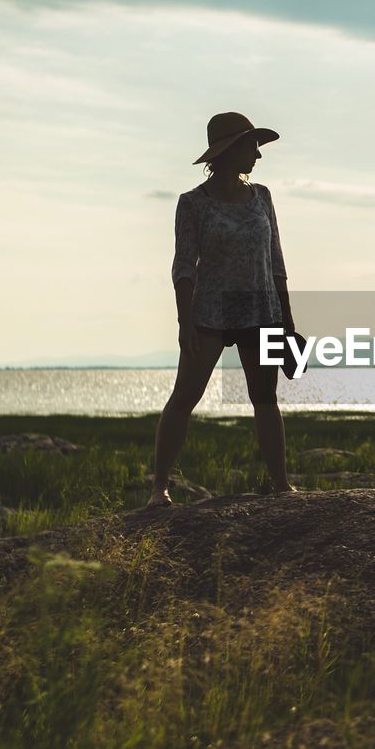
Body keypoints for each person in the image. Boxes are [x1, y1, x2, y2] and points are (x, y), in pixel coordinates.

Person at [147, 112, 295, 506]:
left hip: (262, 310)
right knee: (184, 397)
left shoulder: (262, 197)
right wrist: (184, 322)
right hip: (209, 313)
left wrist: (287, 321)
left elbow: (276, 262)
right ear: (229, 151)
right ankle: (159, 488)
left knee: (265, 399)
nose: (258, 155)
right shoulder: (193, 203)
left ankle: (281, 485)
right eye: (252, 146)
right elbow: (183, 266)